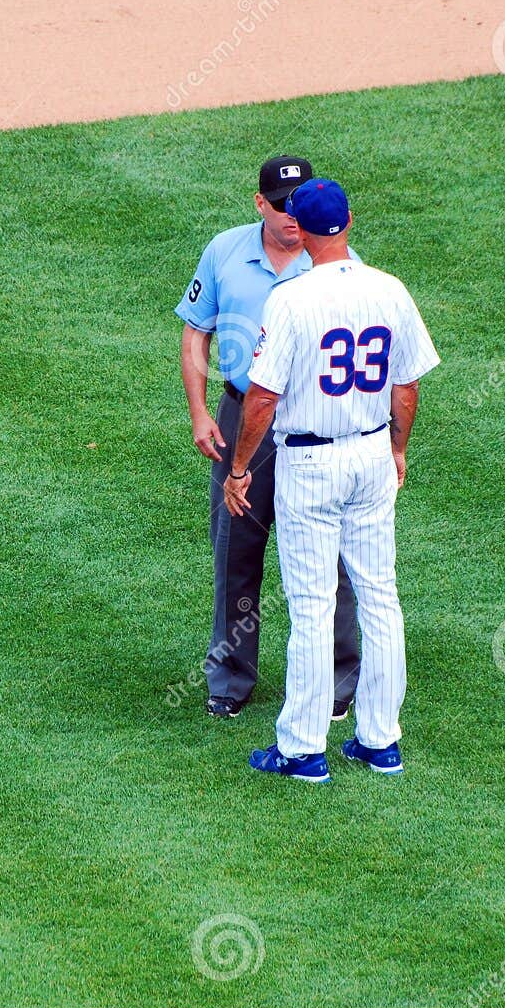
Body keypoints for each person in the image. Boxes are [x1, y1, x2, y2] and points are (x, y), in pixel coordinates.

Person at [224, 178, 439, 782]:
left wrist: (239, 468)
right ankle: (379, 740)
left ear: (303, 228)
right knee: (380, 597)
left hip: (310, 465)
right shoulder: (389, 288)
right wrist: (397, 449)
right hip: (372, 455)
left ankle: (302, 748)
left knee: (313, 607)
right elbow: (408, 384)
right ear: (348, 223)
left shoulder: (292, 299)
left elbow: (262, 398)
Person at [176, 156, 361, 721]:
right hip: (241, 418)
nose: (291, 217)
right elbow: (194, 333)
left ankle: (338, 682)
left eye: (300, 206)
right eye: (281, 206)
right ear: (260, 203)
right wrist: (200, 413)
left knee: (330, 559)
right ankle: (230, 680)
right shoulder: (225, 251)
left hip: (314, 425)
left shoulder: (336, 263)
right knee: (236, 552)